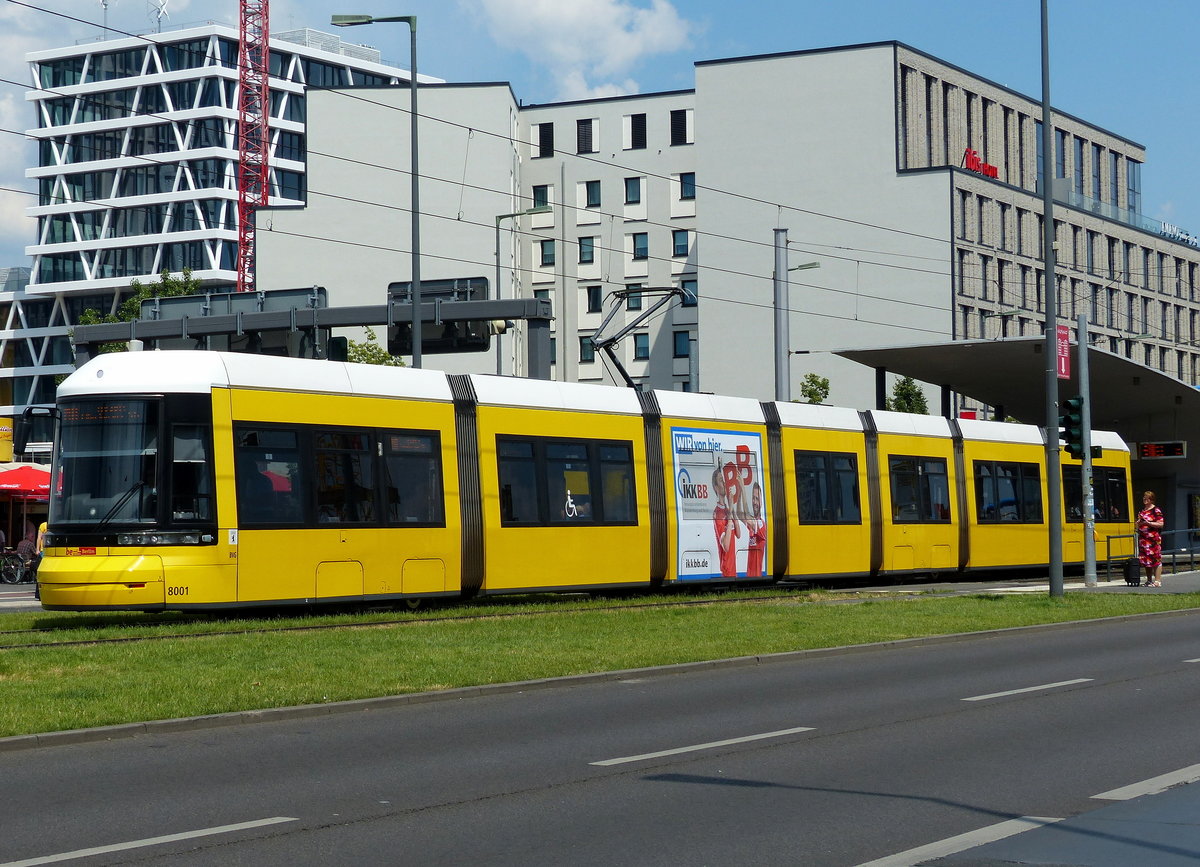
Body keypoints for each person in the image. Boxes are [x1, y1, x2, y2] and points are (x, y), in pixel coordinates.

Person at [712, 466, 740, 578]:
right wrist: (729, 519)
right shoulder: (717, 513)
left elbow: (738, 534)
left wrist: (732, 508)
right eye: (720, 480)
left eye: (724, 480)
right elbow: (726, 546)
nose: (724, 483)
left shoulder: (727, 509)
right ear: (716, 488)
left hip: (734, 569)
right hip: (727, 570)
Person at [1136, 490, 1164, 587]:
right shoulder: (1143, 511)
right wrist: (1138, 523)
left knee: (1155, 559)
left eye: (1147, 498)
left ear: (1151, 500)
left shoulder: (1156, 510)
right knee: (1146, 560)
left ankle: (1157, 581)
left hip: (1153, 539)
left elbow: (1161, 524)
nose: (1145, 499)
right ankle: (1149, 580)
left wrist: (1148, 523)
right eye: (1144, 497)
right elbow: (1138, 525)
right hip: (1143, 539)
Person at [744, 481, 767, 577]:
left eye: (757, 499)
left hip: (756, 575)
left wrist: (742, 486)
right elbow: (742, 515)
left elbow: (745, 515)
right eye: (753, 498)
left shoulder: (761, 524)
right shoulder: (753, 522)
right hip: (749, 574)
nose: (754, 502)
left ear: (761, 501)